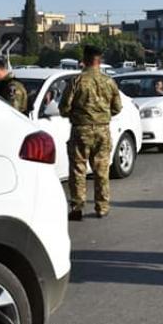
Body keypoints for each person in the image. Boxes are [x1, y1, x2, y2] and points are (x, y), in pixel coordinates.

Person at [60, 45, 123, 221]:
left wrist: (78, 114)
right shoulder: (109, 82)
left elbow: (64, 108)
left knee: (78, 169)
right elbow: (117, 108)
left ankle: (77, 207)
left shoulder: (76, 81)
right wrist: (102, 115)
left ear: (84, 60)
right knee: (101, 169)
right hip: (103, 130)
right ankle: (102, 207)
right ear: (99, 60)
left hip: (81, 130)